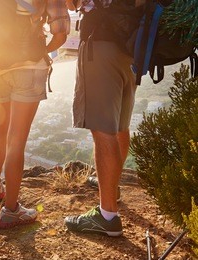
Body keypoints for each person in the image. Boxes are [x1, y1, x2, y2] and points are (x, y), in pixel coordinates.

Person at [0, 0, 70, 229]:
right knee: (17, 140)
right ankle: (11, 210)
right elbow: (61, 34)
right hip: (28, 69)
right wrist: (39, 51)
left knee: (0, 130)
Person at [63, 0, 144, 237]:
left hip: (101, 43)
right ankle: (112, 188)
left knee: (103, 130)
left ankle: (107, 215)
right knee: (120, 124)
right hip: (132, 48)